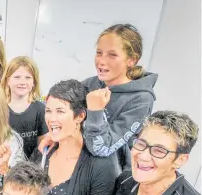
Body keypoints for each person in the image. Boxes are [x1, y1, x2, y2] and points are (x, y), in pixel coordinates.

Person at [40, 24, 157, 173]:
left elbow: (102, 149)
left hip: (105, 179)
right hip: (75, 167)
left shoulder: (141, 99)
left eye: (112, 55)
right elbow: (69, 117)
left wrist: (96, 112)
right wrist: (53, 135)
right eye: (99, 53)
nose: (101, 61)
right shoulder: (91, 83)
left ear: (131, 60)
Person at [2, 56, 48, 159]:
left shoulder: (40, 109)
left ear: (34, 82)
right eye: (17, 77)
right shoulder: (0, 109)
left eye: (28, 77)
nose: (22, 82)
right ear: (8, 80)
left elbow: (43, 144)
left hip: (31, 169)